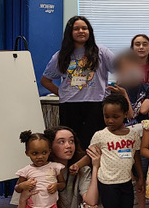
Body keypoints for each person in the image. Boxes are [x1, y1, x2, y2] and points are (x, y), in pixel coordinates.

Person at [41, 16, 115, 148]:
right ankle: (73, 169)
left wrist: (115, 91)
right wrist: (62, 93)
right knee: (71, 145)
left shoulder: (101, 52)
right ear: (70, 32)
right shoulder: (61, 56)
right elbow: (45, 81)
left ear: (89, 31)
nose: (81, 31)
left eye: (84, 28)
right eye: (76, 29)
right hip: (69, 105)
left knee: (95, 144)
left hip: (96, 104)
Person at [89, 93, 144, 208]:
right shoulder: (100, 135)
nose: (110, 120)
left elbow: (136, 156)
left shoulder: (133, 134)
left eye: (115, 116)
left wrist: (140, 177)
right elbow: (90, 153)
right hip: (107, 183)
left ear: (125, 114)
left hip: (126, 182)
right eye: (106, 116)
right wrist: (77, 164)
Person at [110, 50, 149, 208]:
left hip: (142, 138)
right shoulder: (116, 90)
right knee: (123, 177)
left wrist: (125, 95)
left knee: (141, 175)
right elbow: (125, 116)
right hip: (122, 139)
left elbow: (140, 112)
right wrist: (122, 93)